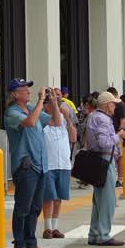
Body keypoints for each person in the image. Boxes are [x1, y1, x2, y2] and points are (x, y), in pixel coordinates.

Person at [4, 79, 57, 248]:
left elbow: (56, 121)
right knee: (23, 207)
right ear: (15, 94)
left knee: (35, 207)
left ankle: (31, 243)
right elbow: (31, 122)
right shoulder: (13, 113)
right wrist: (42, 101)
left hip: (40, 164)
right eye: (24, 88)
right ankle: (19, 245)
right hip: (26, 165)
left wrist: (54, 102)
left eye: (28, 88)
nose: (28, 91)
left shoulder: (31, 109)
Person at [84, 92, 125, 246]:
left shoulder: (93, 116)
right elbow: (105, 142)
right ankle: (103, 234)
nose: (115, 106)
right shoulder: (103, 119)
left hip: (97, 159)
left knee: (99, 200)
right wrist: (120, 136)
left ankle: (95, 233)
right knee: (108, 200)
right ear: (107, 104)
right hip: (104, 159)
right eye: (113, 104)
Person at [42, 94, 76, 238]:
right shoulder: (42, 119)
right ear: (47, 105)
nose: (58, 106)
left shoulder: (62, 120)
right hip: (49, 163)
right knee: (48, 196)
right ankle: (47, 227)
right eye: (54, 103)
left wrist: (68, 119)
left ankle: (55, 227)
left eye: (59, 103)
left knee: (59, 197)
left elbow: (73, 138)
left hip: (63, 163)